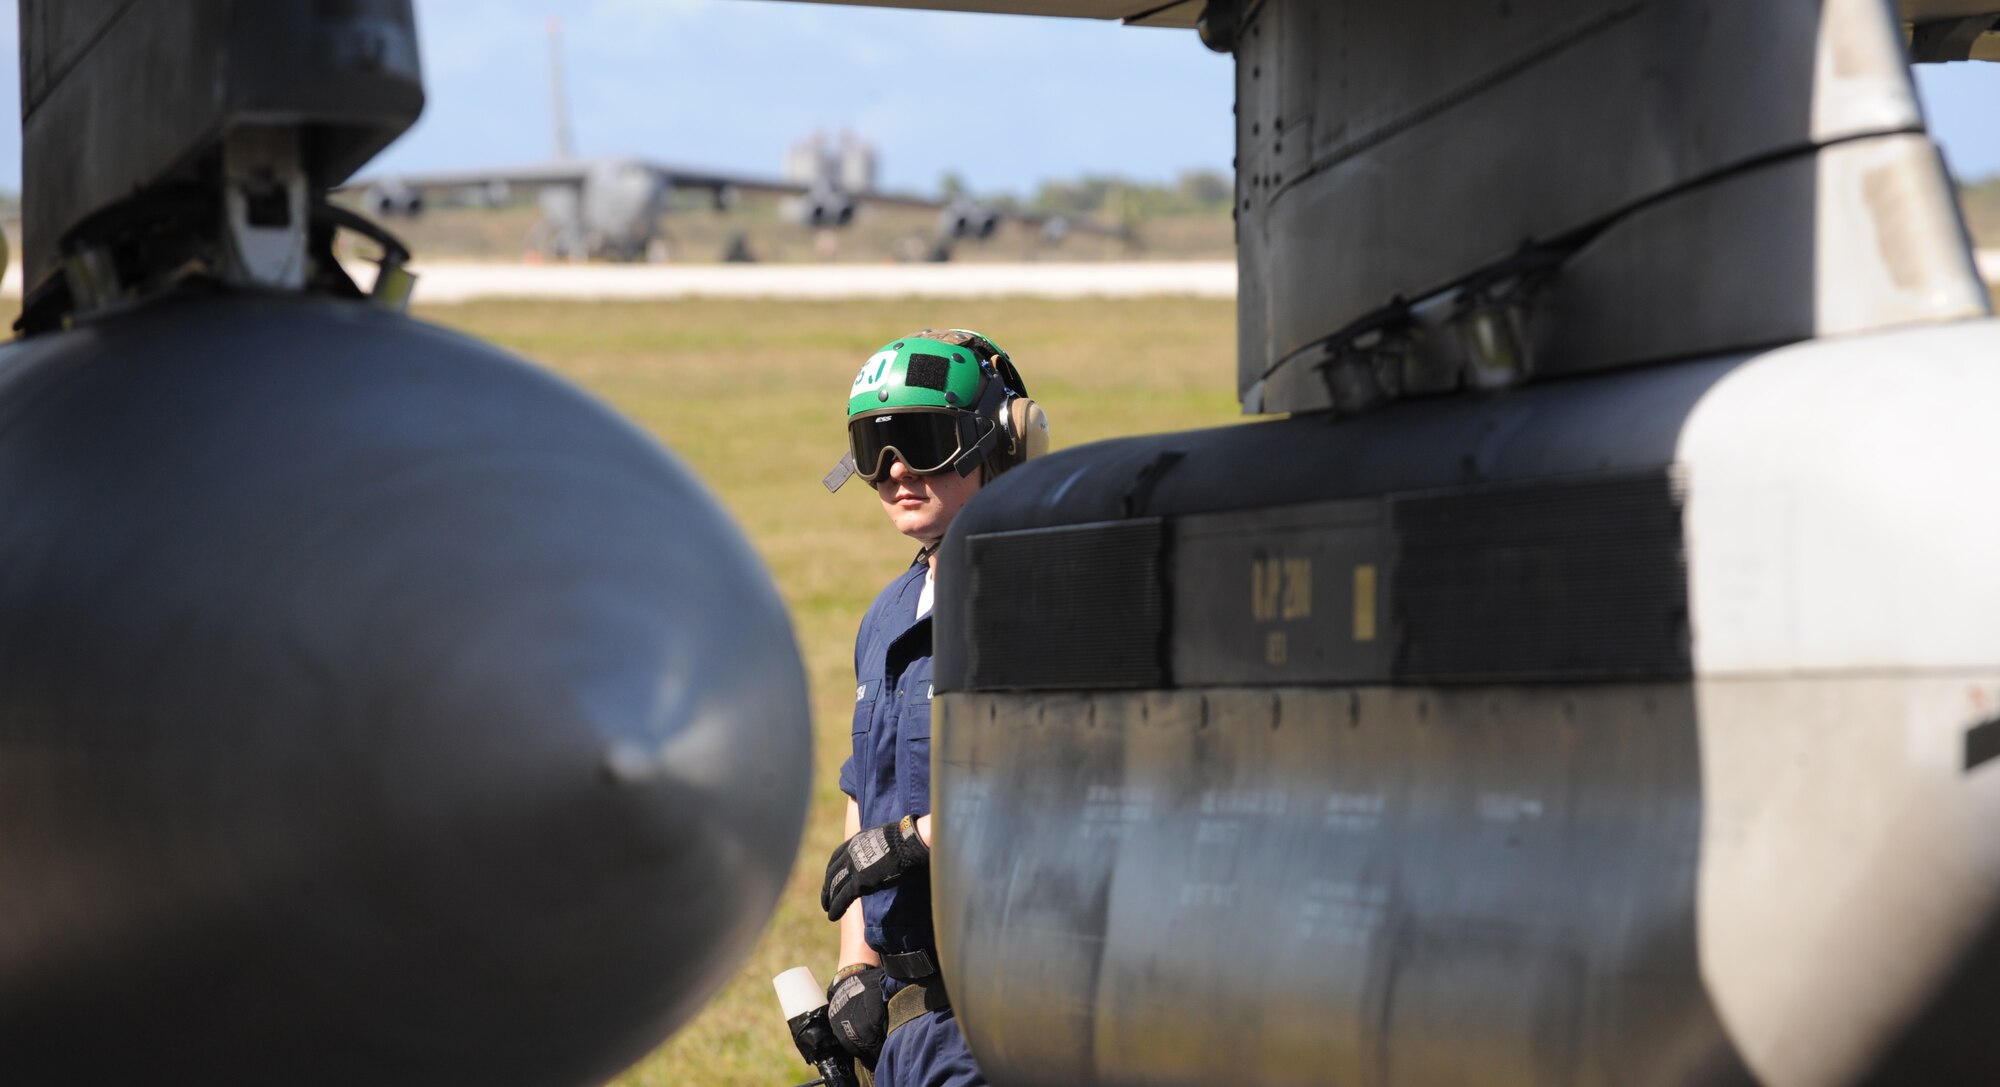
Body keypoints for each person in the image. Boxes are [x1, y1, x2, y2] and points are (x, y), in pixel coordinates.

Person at [817, 328, 1048, 1087]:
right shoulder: (885, 615)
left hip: (1008, 1013)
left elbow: (1067, 783)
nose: (895, 471)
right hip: (912, 1027)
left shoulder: (1040, 599)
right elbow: (864, 789)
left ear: (1000, 439)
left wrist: (915, 840)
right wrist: (857, 969)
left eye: (921, 439)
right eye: (872, 447)